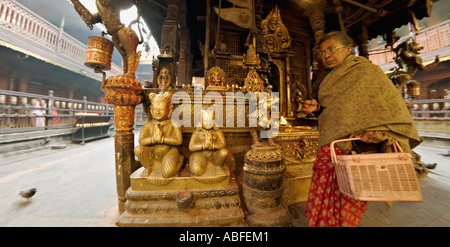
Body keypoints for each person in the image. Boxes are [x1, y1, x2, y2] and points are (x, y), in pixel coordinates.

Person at [303, 31, 421, 227]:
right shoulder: (327, 78)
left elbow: (390, 108)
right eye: (322, 53)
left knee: (349, 199)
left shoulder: (368, 73)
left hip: (355, 150)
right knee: (322, 199)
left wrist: (380, 132)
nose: (326, 56)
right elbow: (335, 111)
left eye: (331, 49)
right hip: (329, 147)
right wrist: (317, 108)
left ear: (348, 49)